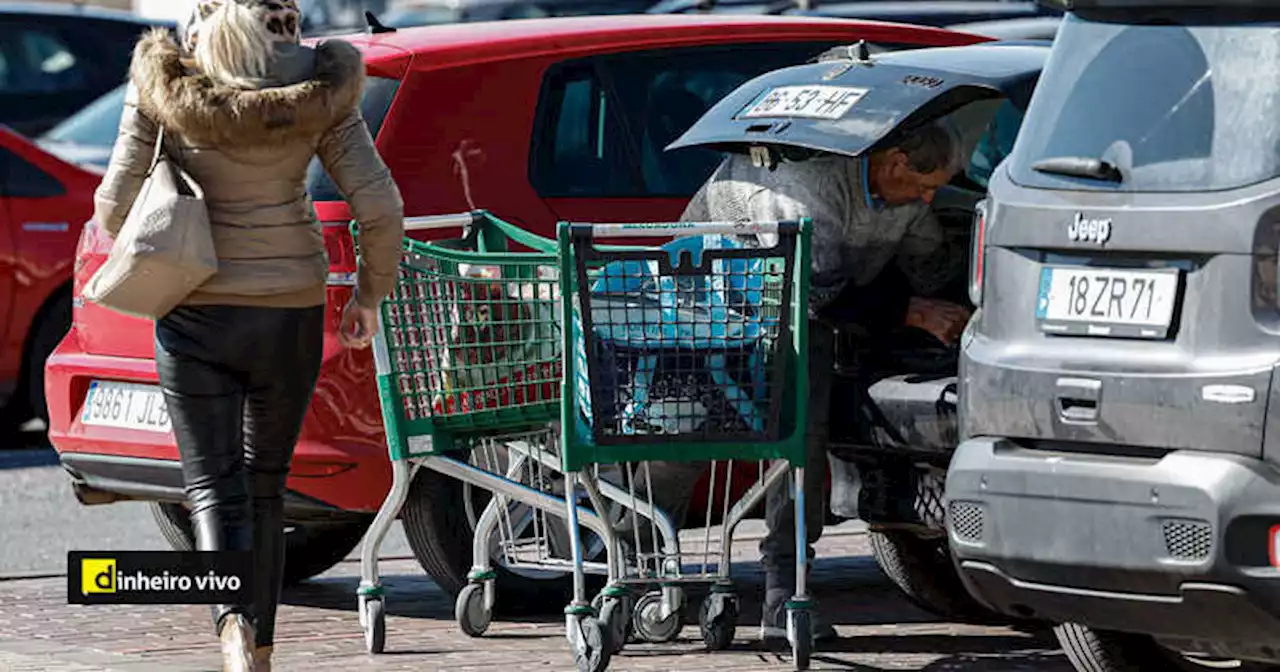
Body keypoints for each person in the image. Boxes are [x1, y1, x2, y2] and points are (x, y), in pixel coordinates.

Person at [92, 1, 404, 670]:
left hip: (196, 311)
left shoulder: (163, 79)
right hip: (290, 308)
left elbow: (113, 205)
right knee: (267, 485)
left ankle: (232, 625)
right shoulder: (323, 87)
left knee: (211, 488)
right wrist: (370, 296)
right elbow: (379, 203)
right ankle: (260, 651)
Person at [646, 120, 966, 642]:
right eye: (926, 183)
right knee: (687, 436)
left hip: (798, 312)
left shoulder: (906, 198)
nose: (932, 195)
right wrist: (909, 311)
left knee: (802, 443)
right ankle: (642, 556)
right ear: (893, 163)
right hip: (717, 300)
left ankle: (784, 596)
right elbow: (813, 293)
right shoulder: (806, 191)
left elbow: (929, 264)